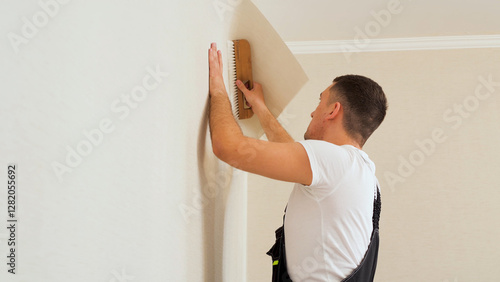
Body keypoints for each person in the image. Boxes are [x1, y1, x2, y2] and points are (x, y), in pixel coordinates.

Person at [208, 42, 387, 281]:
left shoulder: (336, 162)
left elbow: (228, 147)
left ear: (333, 110)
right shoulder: (362, 176)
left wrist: (219, 90)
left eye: (319, 102)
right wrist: (260, 107)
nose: (313, 112)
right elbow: (294, 156)